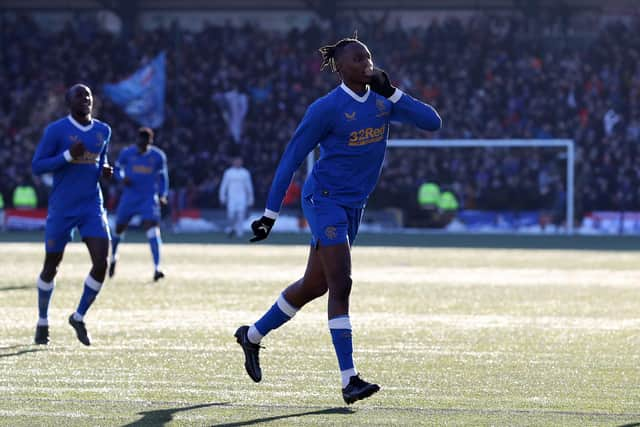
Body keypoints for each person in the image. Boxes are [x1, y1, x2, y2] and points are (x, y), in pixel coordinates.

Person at [234, 37, 441, 404]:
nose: (366, 63)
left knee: (315, 285)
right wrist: (270, 214)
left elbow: (432, 122)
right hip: (324, 200)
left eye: (369, 56)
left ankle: (251, 336)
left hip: (353, 206)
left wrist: (393, 92)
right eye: (358, 58)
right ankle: (350, 380)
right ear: (341, 68)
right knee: (341, 282)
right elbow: (291, 159)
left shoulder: (383, 100)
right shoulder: (326, 109)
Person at [31, 83, 113, 346]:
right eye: (79, 96)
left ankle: (78, 316)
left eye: (88, 95)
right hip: (62, 208)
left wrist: (107, 170)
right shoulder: (56, 131)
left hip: (91, 206)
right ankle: (43, 320)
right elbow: (37, 166)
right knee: (51, 266)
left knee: (102, 262)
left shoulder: (103, 130)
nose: (85, 99)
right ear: (69, 102)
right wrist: (67, 155)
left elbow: (102, 160)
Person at [109, 127, 169, 281]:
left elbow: (163, 177)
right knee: (119, 229)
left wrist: (163, 194)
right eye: (140, 143)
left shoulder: (158, 156)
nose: (142, 146)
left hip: (149, 198)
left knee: (153, 230)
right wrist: (121, 178)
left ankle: (157, 268)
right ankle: (113, 257)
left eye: (146, 143)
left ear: (150, 142)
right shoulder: (127, 153)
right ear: (137, 141)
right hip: (130, 197)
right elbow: (116, 168)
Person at [218, 156, 254, 238]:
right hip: (231, 197)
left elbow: (249, 186)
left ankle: (239, 232)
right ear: (233, 162)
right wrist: (222, 196)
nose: (238, 163)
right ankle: (231, 228)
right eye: (236, 161)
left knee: (241, 215)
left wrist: (250, 198)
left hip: (242, 197)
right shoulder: (228, 172)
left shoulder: (245, 173)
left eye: (239, 161)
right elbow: (224, 185)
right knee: (231, 214)